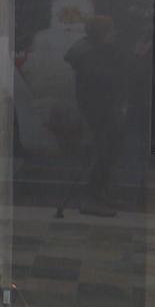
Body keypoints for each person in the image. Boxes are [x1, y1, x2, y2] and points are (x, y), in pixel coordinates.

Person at [64, 16, 128, 217]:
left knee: (107, 152)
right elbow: (104, 82)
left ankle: (98, 195)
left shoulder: (91, 52)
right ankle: (92, 199)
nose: (115, 34)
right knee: (102, 154)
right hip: (99, 112)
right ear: (102, 34)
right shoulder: (91, 56)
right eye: (111, 31)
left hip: (100, 110)